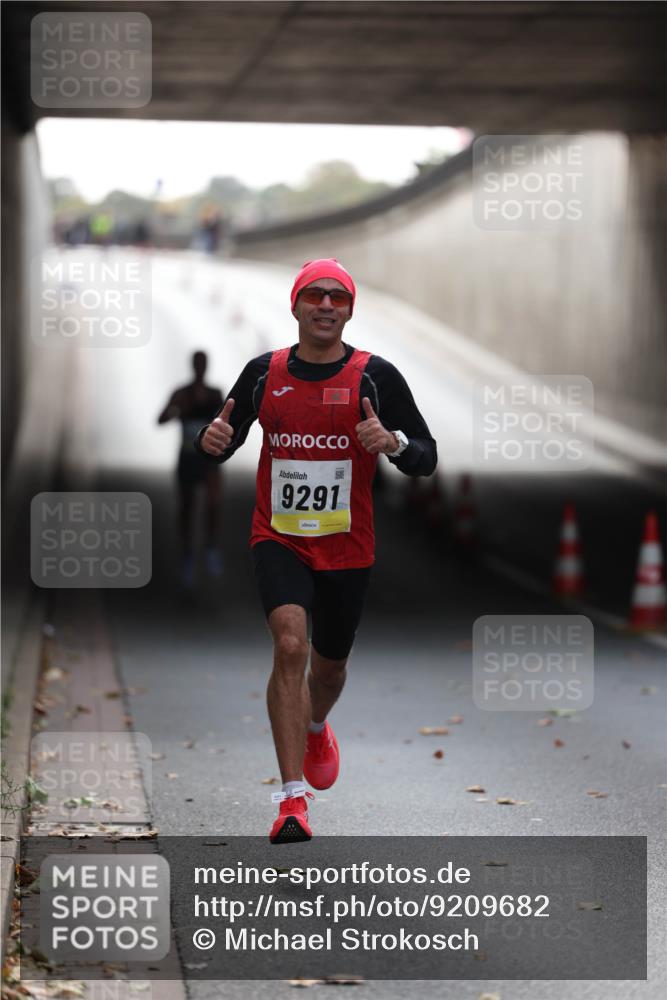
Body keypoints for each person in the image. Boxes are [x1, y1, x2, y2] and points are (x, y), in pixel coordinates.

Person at [196, 259, 437, 843]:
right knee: (289, 645)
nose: (326, 305)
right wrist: (213, 442)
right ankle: (290, 801)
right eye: (314, 295)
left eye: (337, 297)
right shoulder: (264, 372)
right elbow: (225, 437)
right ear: (296, 305)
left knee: (328, 670)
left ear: (350, 310)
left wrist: (394, 442)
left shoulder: (375, 376)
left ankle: (317, 726)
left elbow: (426, 456)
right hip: (277, 536)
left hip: (347, 546)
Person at [158, 351, 225, 587]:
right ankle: (187, 554)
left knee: (213, 504)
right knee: (187, 507)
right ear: (193, 366)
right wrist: (176, 409)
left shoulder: (215, 394)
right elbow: (161, 419)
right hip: (187, 457)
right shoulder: (182, 394)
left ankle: (211, 548)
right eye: (197, 364)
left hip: (208, 459)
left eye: (203, 364)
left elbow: (227, 420)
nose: (200, 368)